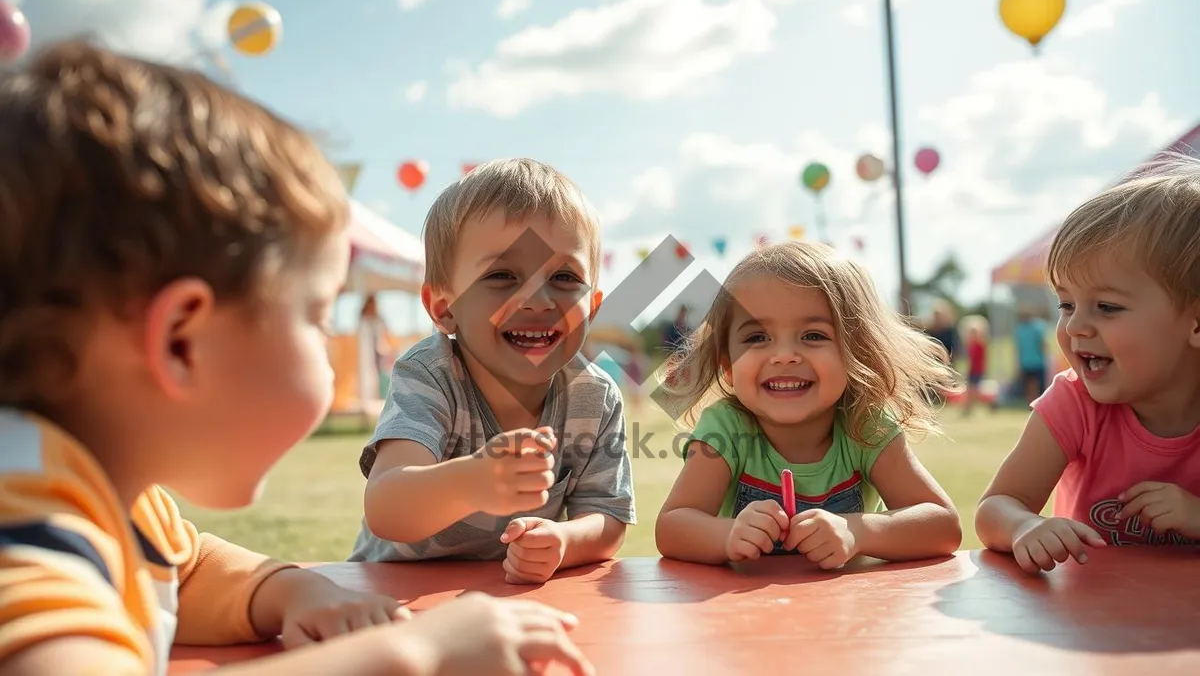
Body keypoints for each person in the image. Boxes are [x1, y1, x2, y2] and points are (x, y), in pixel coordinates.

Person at [0, 42, 592, 676]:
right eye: (316, 315)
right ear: (180, 341)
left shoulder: (106, 498)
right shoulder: (25, 528)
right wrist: (413, 652)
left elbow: (188, 569)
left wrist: (290, 590)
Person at [348, 158, 636, 585]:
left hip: (504, 601)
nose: (538, 300)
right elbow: (386, 507)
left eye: (563, 276)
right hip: (390, 592)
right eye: (502, 275)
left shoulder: (595, 395)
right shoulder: (431, 374)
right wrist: (471, 481)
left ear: (592, 307)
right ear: (445, 310)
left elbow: (607, 515)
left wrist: (564, 540)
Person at [653, 241, 963, 567]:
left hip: (852, 613)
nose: (784, 356)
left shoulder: (866, 424)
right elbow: (672, 527)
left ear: (857, 352)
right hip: (747, 613)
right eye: (757, 338)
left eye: (813, 335)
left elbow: (943, 525)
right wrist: (727, 535)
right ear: (728, 367)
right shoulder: (726, 427)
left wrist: (858, 530)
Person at [976, 155, 1200, 575]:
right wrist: (1025, 525)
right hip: (1088, 623)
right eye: (1066, 304)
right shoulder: (1073, 403)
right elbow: (995, 507)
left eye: (1107, 307)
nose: (1075, 325)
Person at [1012, 305, 1048, 404]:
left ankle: (1032, 403)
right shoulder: (1038, 327)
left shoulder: (1019, 330)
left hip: (1027, 362)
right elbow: (1042, 344)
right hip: (1037, 362)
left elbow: (1018, 349)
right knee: (1037, 385)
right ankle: (1037, 404)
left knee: (1030, 386)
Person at [958, 315, 991, 416]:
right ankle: (968, 407)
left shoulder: (980, 344)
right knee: (971, 390)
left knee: (973, 390)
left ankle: (969, 407)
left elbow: (983, 359)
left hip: (977, 371)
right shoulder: (971, 345)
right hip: (972, 370)